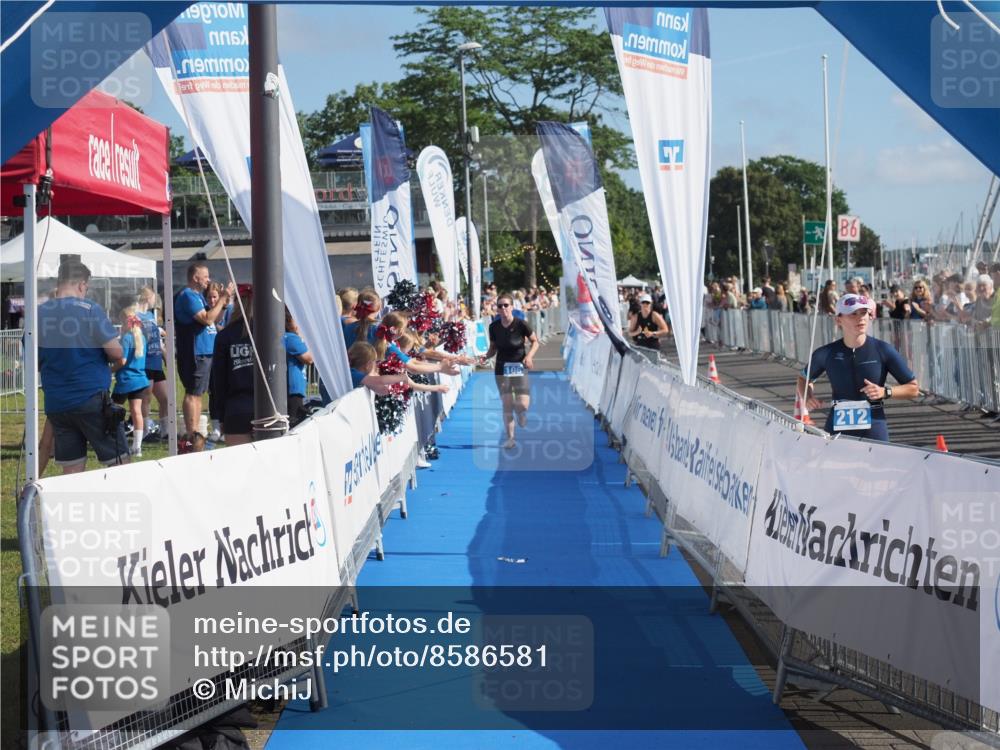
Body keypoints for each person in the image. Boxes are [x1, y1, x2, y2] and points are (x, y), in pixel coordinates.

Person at [38, 260, 129, 473]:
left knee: (71, 469)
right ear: (81, 284)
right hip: (90, 397)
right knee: (119, 464)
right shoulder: (90, 309)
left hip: (57, 403)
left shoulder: (39, 313)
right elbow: (116, 352)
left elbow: (33, 358)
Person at [796, 293, 919, 442]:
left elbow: (913, 388)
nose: (860, 318)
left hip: (874, 427)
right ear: (838, 320)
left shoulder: (883, 350)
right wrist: (808, 397)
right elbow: (803, 379)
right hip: (837, 427)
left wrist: (885, 391)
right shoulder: (826, 353)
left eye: (864, 313)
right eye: (853, 314)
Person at [175, 262, 234, 437]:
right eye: (205, 276)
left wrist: (224, 304)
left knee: (199, 393)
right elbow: (207, 319)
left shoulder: (198, 297)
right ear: (195, 278)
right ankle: (191, 433)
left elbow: (215, 319)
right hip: (195, 352)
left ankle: (196, 433)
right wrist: (222, 299)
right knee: (193, 392)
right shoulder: (188, 296)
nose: (208, 280)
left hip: (205, 352)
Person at [482, 293, 539, 449]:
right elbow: (493, 348)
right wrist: (485, 357)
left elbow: (535, 342)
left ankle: (521, 413)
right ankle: (510, 439)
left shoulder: (521, 324)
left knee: (523, 405)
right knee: (507, 405)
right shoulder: (493, 327)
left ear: (512, 307)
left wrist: (529, 357)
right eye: (500, 306)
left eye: (506, 305)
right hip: (502, 368)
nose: (503, 308)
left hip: (519, 366)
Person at [210, 287, 255, 446]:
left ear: (235, 304)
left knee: (239, 461)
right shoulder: (268, 333)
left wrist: (221, 415)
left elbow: (218, 381)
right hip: (267, 409)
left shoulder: (225, 336)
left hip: (236, 409)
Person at [112, 305, 152, 458]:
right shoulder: (141, 338)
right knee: (136, 412)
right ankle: (137, 447)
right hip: (140, 380)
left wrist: (110, 370)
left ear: (125, 322)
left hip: (125, 381)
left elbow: (122, 361)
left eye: (121, 322)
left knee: (114, 411)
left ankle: (116, 442)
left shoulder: (126, 338)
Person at [136, 287, 167, 442]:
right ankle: (145, 431)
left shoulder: (151, 315)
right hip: (145, 362)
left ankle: (165, 431)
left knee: (165, 398)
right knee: (146, 398)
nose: (156, 300)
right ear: (147, 298)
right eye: (153, 297)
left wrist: (165, 356)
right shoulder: (136, 315)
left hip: (156, 362)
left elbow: (158, 340)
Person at [284, 309, 313, 427]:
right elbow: (309, 359)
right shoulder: (291, 338)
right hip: (294, 390)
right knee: (295, 422)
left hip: (294, 389)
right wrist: (301, 336)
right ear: (288, 322)